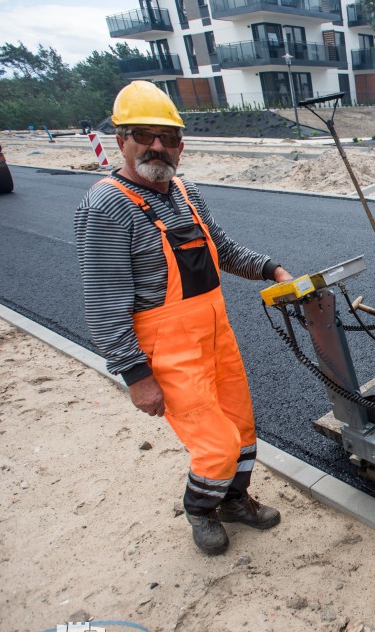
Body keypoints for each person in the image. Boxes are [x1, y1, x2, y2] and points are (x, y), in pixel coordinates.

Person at [74, 81, 294, 556]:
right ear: (121, 140)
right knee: (215, 444)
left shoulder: (186, 193)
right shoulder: (107, 206)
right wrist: (136, 375)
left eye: (168, 137)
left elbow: (224, 249)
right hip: (169, 353)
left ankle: (235, 501)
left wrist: (272, 269)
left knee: (241, 429)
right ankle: (200, 510)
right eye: (145, 135)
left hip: (217, 337)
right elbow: (103, 300)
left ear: (181, 144)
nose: (158, 146)